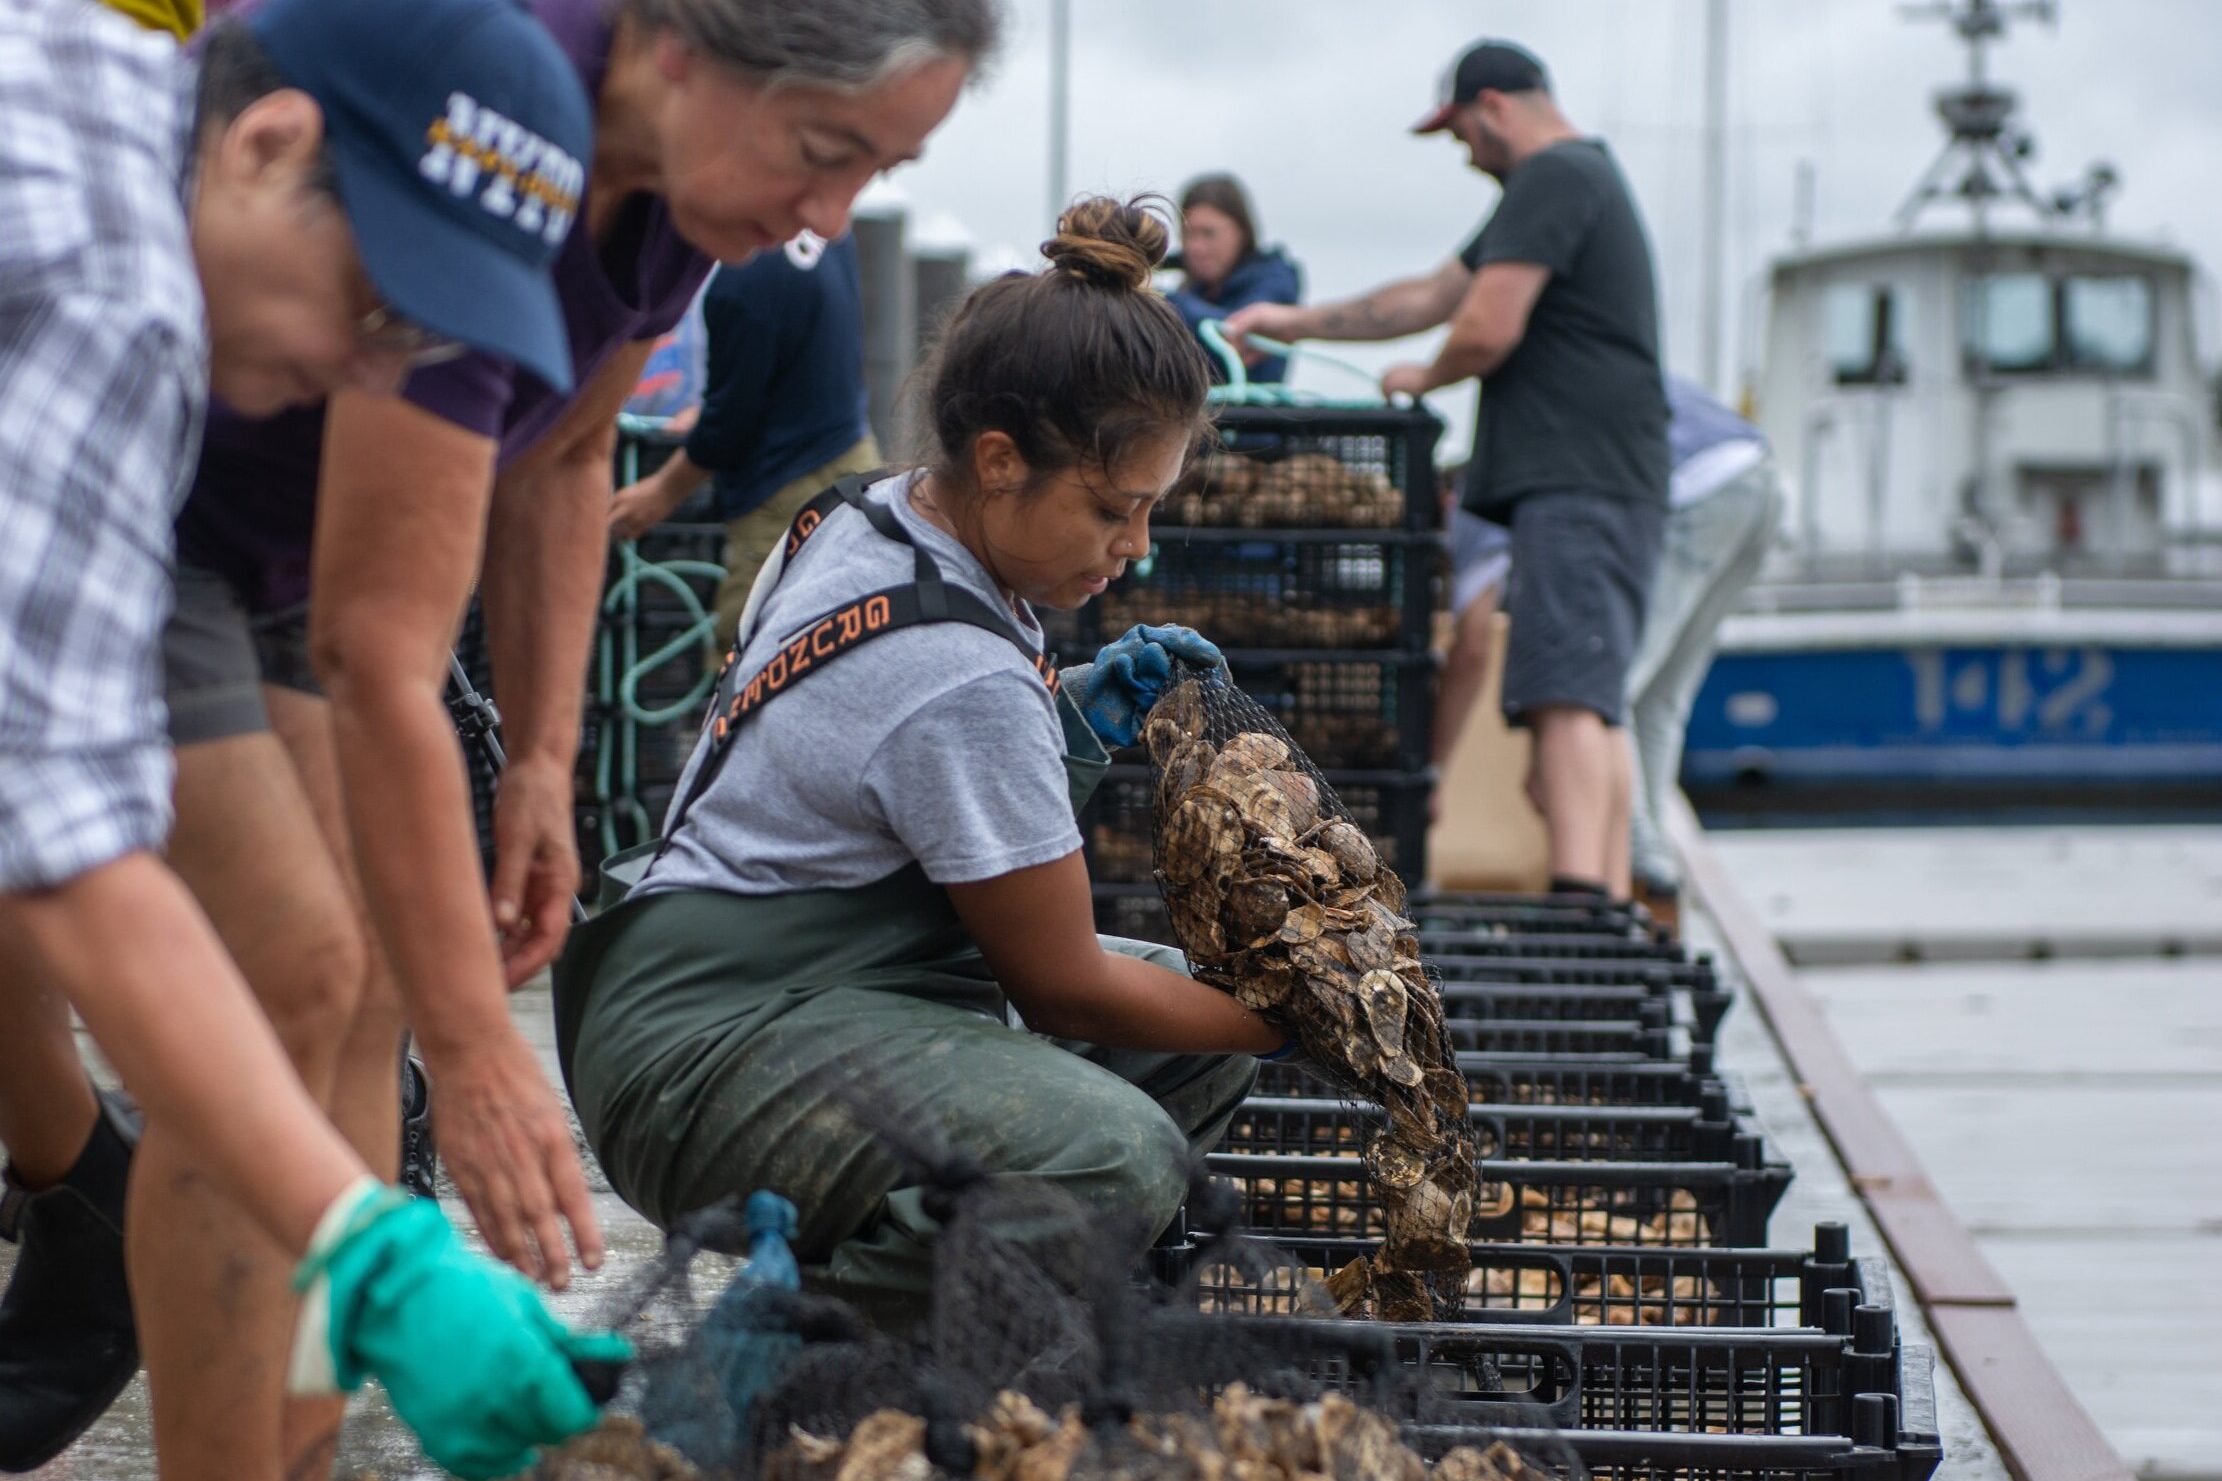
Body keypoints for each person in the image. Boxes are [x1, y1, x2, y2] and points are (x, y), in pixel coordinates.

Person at [15, 2, 1003, 1477]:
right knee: (288, 961)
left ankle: (267, 1430)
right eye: (823, 150)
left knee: (334, 986)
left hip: (256, 556)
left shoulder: (635, 200)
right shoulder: (140, 295)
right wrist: (454, 1096)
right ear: (683, 49)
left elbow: (560, 454)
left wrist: (544, 757)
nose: (825, 216)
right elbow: (312, 685)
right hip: (187, 540)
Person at [0, 0, 629, 1476]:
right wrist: (372, 1246)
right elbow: (66, 846)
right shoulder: (120, 299)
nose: (369, 373)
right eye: (374, 305)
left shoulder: (90, 92)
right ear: (271, 143)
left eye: (414, 341)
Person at [553, 197, 1287, 1336]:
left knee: (1176, 1040)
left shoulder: (871, 517)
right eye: (1112, 508)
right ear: (999, 462)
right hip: (701, 1061)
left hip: (726, 997)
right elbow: (1058, 983)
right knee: (1113, 1156)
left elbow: (896, 791)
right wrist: (1289, 1013)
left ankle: (960, 1316)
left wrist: (1072, 719)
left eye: (1148, 512)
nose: (1132, 548)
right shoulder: (958, 668)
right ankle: (783, 1358)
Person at [1227, 38, 1668, 899]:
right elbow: (1428, 298)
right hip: (1607, 479)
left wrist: (1424, 375)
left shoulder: (1554, 176)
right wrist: (1295, 322)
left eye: (1461, 130)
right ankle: (1606, 902)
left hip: (1579, 479)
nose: (1464, 151)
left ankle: (1581, 905)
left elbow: (1484, 324)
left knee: (1566, 699)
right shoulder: (1567, 184)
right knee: (1591, 698)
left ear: (1494, 106)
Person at [608, 230, 882, 650]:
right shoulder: (829, 233)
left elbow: (728, 427)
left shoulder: (742, 283)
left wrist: (660, 493)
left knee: (750, 650)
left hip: (786, 494)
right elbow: (794, 356)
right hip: (856, 467)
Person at [1622, 377, 1783, 925]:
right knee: (1661, 698)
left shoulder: (1552, 380)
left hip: (1698, 486)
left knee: (1611, 692)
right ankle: (1656, 859)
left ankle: (1646, 868)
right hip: (1758, 477)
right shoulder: (1614, 355)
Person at [1165, 174, 1302, 385]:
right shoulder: (1196, 287)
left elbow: (1235, 334)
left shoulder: (1274, 278)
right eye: (1188, 235)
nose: (1195, 247)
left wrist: (1160, 300)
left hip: (1256, 413)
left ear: (1242, 232)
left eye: (1208, 233)